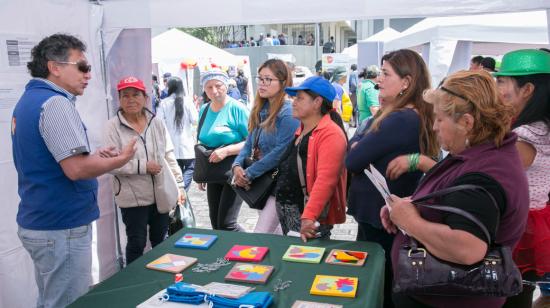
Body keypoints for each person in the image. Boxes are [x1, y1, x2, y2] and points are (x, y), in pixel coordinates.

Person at [382, 70, 529, 308]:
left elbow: (467, 249)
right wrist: (410, 207)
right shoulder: (486, 154)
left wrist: (411, 222)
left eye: (439, 119)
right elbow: (455, 202)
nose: (434, 127)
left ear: (466, 122)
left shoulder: (484, 175)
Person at [11, 33, 137, 308]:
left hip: (46, 222)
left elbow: (57, 161)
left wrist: (94, 157)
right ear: (54, 67)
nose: (88, 74)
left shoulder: (31, 99)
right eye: (82, 66)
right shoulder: (54, 103)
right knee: (67, 303)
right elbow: (76, 170)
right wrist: (120, 159)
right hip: (60, 225)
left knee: (51, 300)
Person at [346, 49, 439, 308]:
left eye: (386, 73)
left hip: (382, 220)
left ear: (406, 82)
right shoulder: (407, 115)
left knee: (376, 286)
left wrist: (359, 141)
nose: (379, 80)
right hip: (385, 215)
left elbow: (352, 159)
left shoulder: (400, 119)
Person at [103, 76, 185, 265]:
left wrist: (180, 185)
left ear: (145, 98)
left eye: (135, 95)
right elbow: (111, 164)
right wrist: (143, 166)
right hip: (133, 197)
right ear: (119, 100)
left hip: (161, 192)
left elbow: (168, 154)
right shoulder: (112, 127)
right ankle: (133, 284)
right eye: (125, 96)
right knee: (136, 243)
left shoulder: (156, 122)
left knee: (161, 241)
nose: (130, 100)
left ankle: (161, 280)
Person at [495, 49, 550, 308]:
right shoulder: (540, 126)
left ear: (527, 89)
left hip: (522, 226)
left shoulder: (527, 134)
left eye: (502, 81)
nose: (497, 88)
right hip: (537, 219)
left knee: (512, 297)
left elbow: (493, 174)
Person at [232, 59, 299, 234]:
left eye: (268, 79)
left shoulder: (288, 111)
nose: (262, 83)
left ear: (283, 82)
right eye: (260, 78)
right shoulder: (262, 108)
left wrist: (249, 173)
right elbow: (249, 142)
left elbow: (281, 152)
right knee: (272, 237)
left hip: (280, 184)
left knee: (261, 235)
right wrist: (237, 165)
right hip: (264, 181)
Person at [276, 76, 348, 241]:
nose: (293, 102)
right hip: (292, 211)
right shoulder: (303, 129)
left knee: (308, 262)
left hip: (307, 218)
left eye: (300, 98)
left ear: (317, 103)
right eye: (295, 98)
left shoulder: (330, 133)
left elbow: (326, 179)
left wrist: (309, 216)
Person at [198, 69, 249, 231]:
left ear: (226, 85)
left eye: (218, 85)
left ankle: (254, 248)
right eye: (209, 87)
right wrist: (202, 171)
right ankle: (225, 257)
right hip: (213, 170)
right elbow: (203, 141)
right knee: (216, 224)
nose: (214, 91)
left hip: (235, 169)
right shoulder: (204, 109)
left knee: (227, 224)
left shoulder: (238, 108)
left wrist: (226, 151)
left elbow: (253, 142)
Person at [156, 76, 199, 191]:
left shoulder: (164, 103)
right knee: (190, 168)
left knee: (175, 171)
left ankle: (179, 192)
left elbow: (158, 122)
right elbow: (195, 120)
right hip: (187, 143)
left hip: (170, 145)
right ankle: (183, 191)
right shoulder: (188, 101)